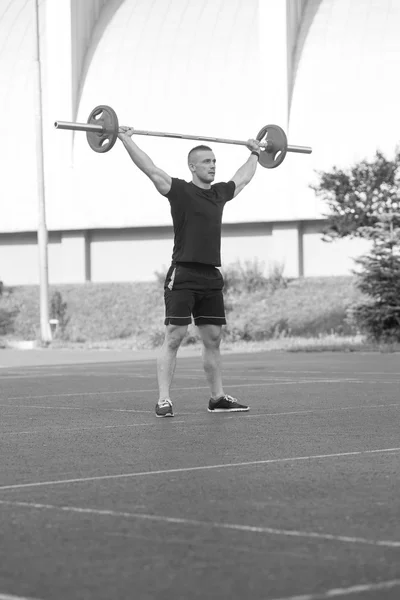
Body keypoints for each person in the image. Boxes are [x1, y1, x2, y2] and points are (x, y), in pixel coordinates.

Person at [118, 126, 262, 417]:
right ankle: (163, 400)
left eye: (214, 162)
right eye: (206, 162)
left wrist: (255, 152)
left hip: (211, 275)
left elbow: (243, 178)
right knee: (175, 336)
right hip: (183, 274)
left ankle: (217, 397)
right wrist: (124, 138)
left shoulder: (219, 194)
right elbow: (150, 169)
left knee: (213, 339)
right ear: (192, 166)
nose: (212, 166)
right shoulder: (181, 191)